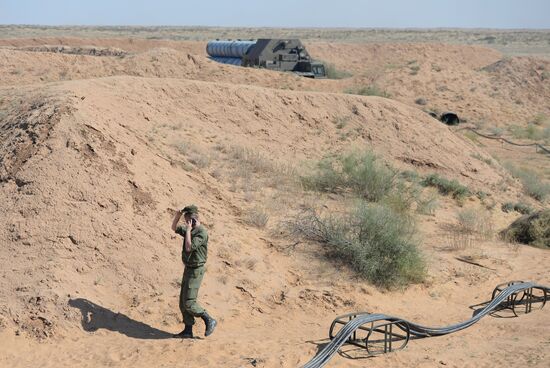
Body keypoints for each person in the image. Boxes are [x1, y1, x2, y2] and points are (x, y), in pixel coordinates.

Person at [171, 204, 217, 338]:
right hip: (188, 268)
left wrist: (188, 231)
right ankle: (188, 330)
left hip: (196, 270)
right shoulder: (189, 230)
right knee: (182, 302)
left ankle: (209, 319)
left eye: (187, 220)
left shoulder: (201, 232)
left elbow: (189, 247)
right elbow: (174, 228)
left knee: (189, 303)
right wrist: (177, 216)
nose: (185, 223)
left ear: (193, 220)